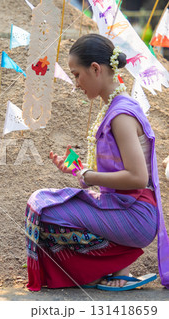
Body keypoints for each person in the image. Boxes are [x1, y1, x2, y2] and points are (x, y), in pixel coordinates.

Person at [24, 34, 169, 291]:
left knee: (43, 212)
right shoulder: (113, 108)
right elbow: (116, 172)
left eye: (77, 75)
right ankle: (115, 263)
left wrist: (89, 176)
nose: (75, 83)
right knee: (41, 204)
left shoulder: (121, 115)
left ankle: (114, 263)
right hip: (125, 207)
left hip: (135, 214)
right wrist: (78, 170)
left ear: (95, 69)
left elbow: (136, 178)